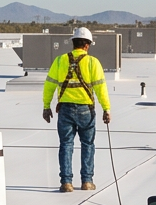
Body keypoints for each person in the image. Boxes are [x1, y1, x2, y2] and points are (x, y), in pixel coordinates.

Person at [41, 25, 112, 192]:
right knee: (87, 144)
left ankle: (66, 183)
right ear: (87, 45)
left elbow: (49, 85)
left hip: (65, 109)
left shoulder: (60, 61)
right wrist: (106, 109)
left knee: (66, 144)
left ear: (73, 43)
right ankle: (87, 181)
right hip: (86, 110)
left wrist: (46, 107)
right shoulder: (93, 62)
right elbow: (101, 88)